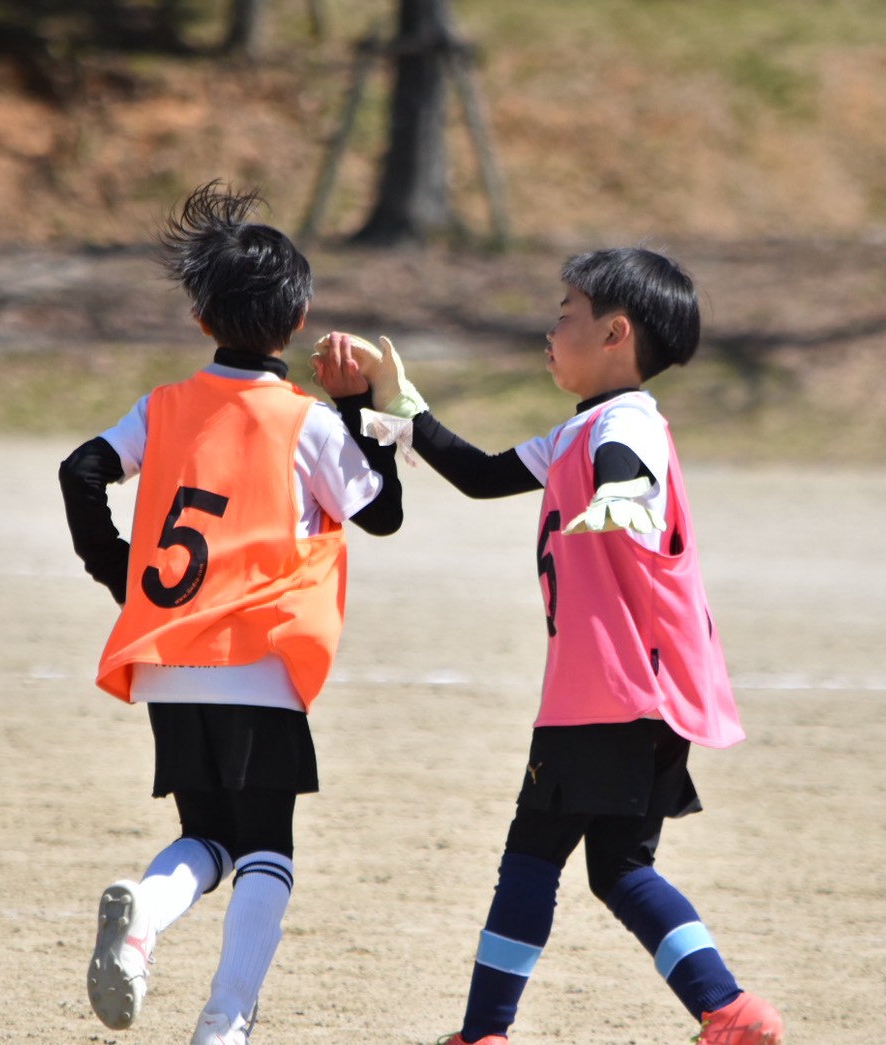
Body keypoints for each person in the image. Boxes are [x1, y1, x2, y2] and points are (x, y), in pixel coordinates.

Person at [315, 247, 784, 1045]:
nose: (552, 327)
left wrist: (623, 490)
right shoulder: (580, 429)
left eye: (567, 312)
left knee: (531, 857)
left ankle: (483, 1032)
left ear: (615, 333)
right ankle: (729, 1010)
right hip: (640, 695)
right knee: (619, 868)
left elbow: (626, 463)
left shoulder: (623, 425)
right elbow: (479, 474)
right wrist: (395, 404)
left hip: (604, 693)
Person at [58, 180, 402, 1045]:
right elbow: (383, 510)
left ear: (200, 317)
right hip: (258, 658)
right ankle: (225, 1019)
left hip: (171, 659)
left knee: (206, 834)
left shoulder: (162, 406)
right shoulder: (305, 421)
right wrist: (361, 406)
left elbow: (80, 470)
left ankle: (143, 916)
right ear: (298, 318)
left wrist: (120, 573)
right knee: (267, 850)